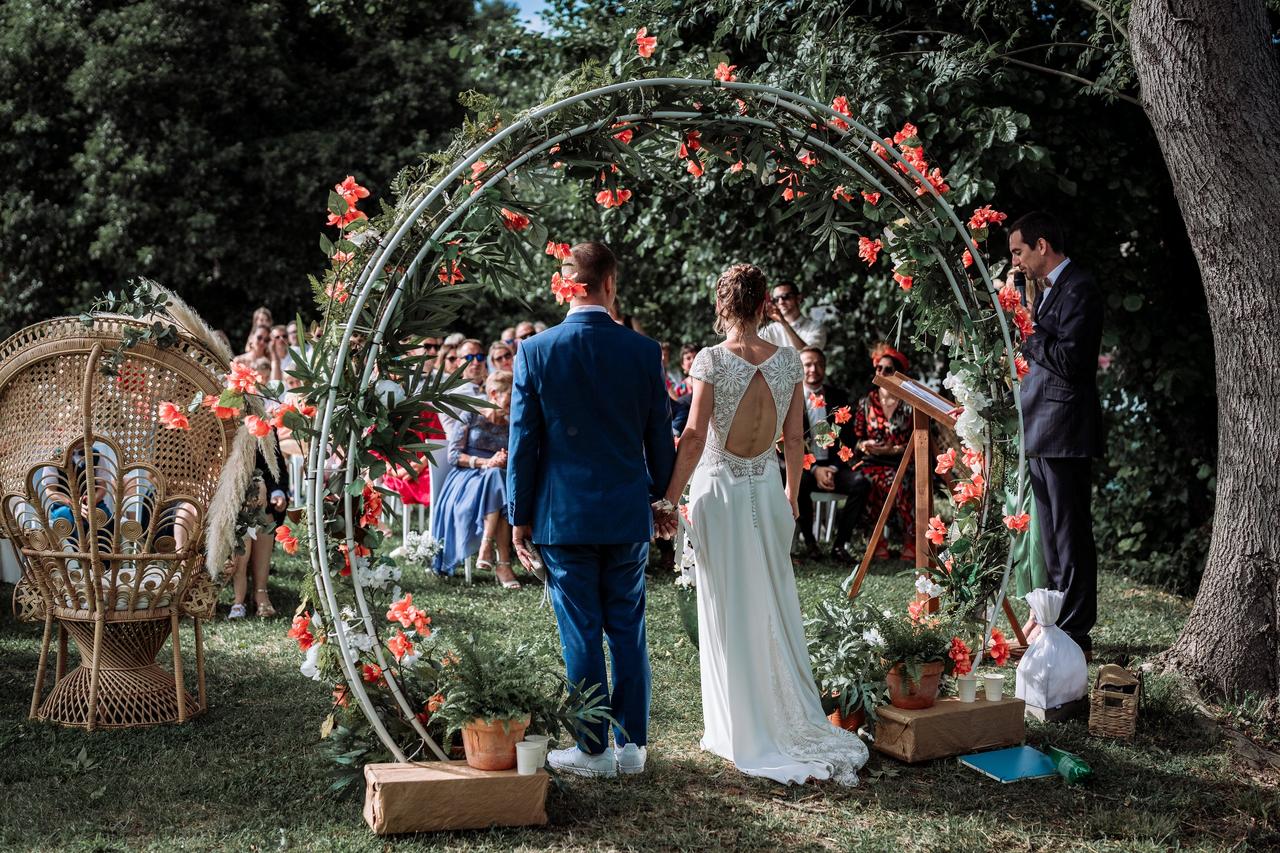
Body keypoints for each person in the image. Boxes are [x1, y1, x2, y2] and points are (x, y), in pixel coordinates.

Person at [663, 262, 867, 786]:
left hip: (720, 493)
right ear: (763, 307)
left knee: (727, 606)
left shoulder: (710, 360)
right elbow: (796, 442)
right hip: (768, 493)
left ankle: (739, 728)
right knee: (774, 604)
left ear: (723, 306)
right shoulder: (788, 363)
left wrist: (668, 498)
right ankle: (775, 718)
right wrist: (792, 499)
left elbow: (691, 437)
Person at [507, 241, 676, 778]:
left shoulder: (536, 351)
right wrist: (663, 500)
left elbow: (523, 442)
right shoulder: (644, 352)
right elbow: (659, 440)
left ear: (563, 286)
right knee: (627, 626)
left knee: (580, 631)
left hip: (564, 517)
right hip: (626, 512)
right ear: (610, 284)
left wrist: (518, 515)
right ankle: (633, 748)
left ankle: (592, 749)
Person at [1010, 211, 1103, 657]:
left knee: (1070, 534)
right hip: (1041, 427)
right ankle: (1058, 623)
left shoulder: (1080, 287)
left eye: (1018, 251)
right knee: (1051, 537)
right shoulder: (1046, 292)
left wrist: (1028, 329)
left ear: (1041, 245)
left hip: (1065, 428)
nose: (1016, 262)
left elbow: (1072, 361)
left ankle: (1076, 630)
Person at [431, 370, 519, 586]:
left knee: (497, 478)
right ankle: (502, 563)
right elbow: (453, 456)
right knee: (495, 478)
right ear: (493, 393)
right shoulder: (470, 414)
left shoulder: (512, 424)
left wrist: (506, 460)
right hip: (466, 478)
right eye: (510, 395)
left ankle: (486, 549)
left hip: (497, 479)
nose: (514, 402)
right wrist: (486, 462)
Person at [795, 347, 870, 561]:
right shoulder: (790, 398)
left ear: (825, 367)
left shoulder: (839, 397)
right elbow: (787, 442)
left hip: (835, 466)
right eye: (808, 364)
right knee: (796, 482)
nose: (813, 369)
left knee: (861, 483)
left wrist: (833, 468)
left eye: (818, 364)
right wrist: (815, 468)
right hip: (804, 467)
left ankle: (840, 545)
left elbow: (848, 440)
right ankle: (810, 544)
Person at [853, 344, 916, 561]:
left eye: (888, 369)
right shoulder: (866, 402)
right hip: (872, 461)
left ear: (898, 373)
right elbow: (857, 438)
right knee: (871, 481)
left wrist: (895, 449)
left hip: (902, 461)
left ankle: (910, 540)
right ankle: (877, 539)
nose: (881, 373)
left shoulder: (910, 404)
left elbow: (917, 438)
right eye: (878, 369)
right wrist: (864, 445)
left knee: (898, 481)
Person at [228, 441, 290, 619]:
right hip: (222, 492)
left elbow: (274, 466)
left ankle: (260, 591)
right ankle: (236, 598)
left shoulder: (260, 425)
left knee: (264, 514)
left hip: (256, 497)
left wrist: (277, 493)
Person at [760, 281, 828, 351]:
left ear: (798, 298)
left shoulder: (815, 328)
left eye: (785, 297)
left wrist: (784, 323)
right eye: (776, 299)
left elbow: (808, 354)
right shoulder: (770, 330)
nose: (781, 302)